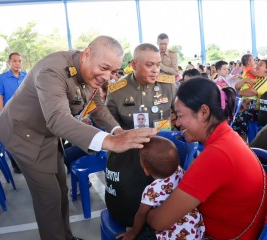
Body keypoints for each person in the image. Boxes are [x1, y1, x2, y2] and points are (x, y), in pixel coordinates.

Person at [0, 36, 157, 240]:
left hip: (47, 135)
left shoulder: (91, 73)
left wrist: (118, 131)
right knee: (49, 197)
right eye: (104, 68)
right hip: (23, 135)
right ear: (87, 54)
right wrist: (111, 142)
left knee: (61, 188)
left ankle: (66, 237)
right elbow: (57, 118)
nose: (107, 76)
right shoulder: (52, 71)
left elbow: (97, 108)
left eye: (113, 71)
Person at [146, 77, 267, 239]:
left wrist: (144, 212)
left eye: (180, 115)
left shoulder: (216, 155)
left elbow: (160, 222)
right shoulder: (228, 137)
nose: (178, 123)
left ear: (204, 111)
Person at [105, 43, 176, 231]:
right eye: (149, 65)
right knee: (130, 203)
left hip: (163, 157)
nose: (155, 70)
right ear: (134, 64)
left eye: (158, 65)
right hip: (131, 157)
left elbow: (181, 115)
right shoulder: (117, 90)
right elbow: (108, 124)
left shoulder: (168, 86)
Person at [117, 136, 205, 240]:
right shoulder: (180, 171)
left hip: (172, 235)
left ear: (146, 170)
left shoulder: (152, 190)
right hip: (195, 231)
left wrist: (133, 233)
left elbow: (141, 214)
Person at [0, 52, 27, 173]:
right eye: (14, 61)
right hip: (11, 115)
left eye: (19, 61)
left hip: (26, 114)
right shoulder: (3, 77)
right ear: (9, 62)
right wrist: (2, 113)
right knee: (14, 141)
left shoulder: (26, 75)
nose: (17, 63)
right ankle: (16, 164)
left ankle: (27, 163)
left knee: (26, 139)